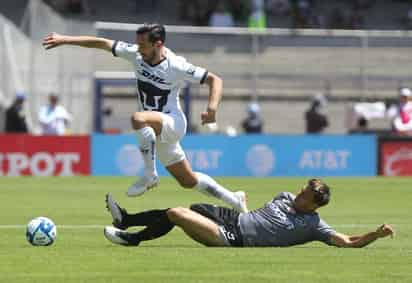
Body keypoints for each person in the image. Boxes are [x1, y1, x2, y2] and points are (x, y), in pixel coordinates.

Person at [42, 24, 248, 212]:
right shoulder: (136, 54)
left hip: (172, 122)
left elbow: (215, 80)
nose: (138, 48)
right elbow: (102, 43)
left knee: (138, 118)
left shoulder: (176, 65)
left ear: (158, 44)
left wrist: (211, 108)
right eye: (137, 43)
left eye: (143, 44)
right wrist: (64, 39)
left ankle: (150, 175)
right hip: (155, 131)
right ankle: (234, 199)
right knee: (188, 180)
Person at [103, 178, 395, 248]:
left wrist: (376, 235)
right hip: (233, 219)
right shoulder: (285, 197)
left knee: (177, 213)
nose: (299, 193)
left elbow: (347, 242)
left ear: (314, 205)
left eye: (306, 194)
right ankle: (125, 219)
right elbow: (259, 217)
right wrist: (240, 204)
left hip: (234, 236)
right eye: (303, 189)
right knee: (190, 208)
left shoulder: (313, 225)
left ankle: (133, 238)